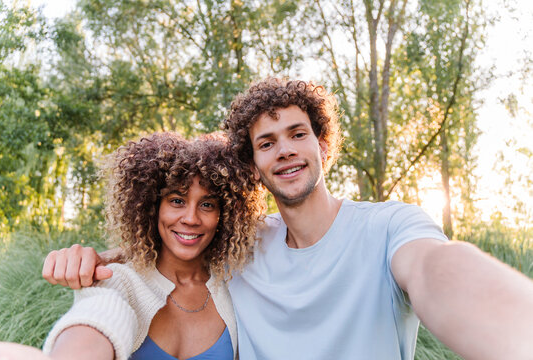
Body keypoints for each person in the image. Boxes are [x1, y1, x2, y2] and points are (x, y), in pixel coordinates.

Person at [43, 79, 533, 359]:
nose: (284, 151)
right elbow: (172, 249)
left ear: (322, 146)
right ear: (253, 167)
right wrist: (95, 258)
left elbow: (438, 270)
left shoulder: (389, 227)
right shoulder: (245, 249)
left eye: (296, 133)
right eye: (266, 142)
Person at [40, 131, 266, 360]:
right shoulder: (119, 280)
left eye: (207, 204)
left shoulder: (234, 282)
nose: (191, 218)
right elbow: (94, 319)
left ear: (224, 215)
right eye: (177, 201)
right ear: (152, 207)